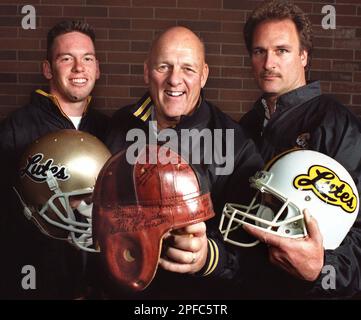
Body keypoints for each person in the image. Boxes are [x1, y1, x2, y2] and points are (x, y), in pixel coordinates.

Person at [169, 0, 361, 299]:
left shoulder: (334, 123)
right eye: (260, 51)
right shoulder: (249, 124)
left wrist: (323, 268)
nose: (269, 63)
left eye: (282, 51)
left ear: (303, 56)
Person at [103, 26, 263, 299]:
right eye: (164, 66)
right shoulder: (118, 128)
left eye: (188, 69)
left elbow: (253, 249)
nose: (174, 80)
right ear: (146, 72)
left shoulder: (236, 144)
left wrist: (208, 257)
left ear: (204, 76)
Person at [0, 20, 109, 299]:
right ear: (48, 68)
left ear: (97, 68)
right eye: (66, 58)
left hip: (97, 284)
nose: (79, 68)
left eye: (87, 58)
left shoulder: (110, 130)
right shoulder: (16, 129)